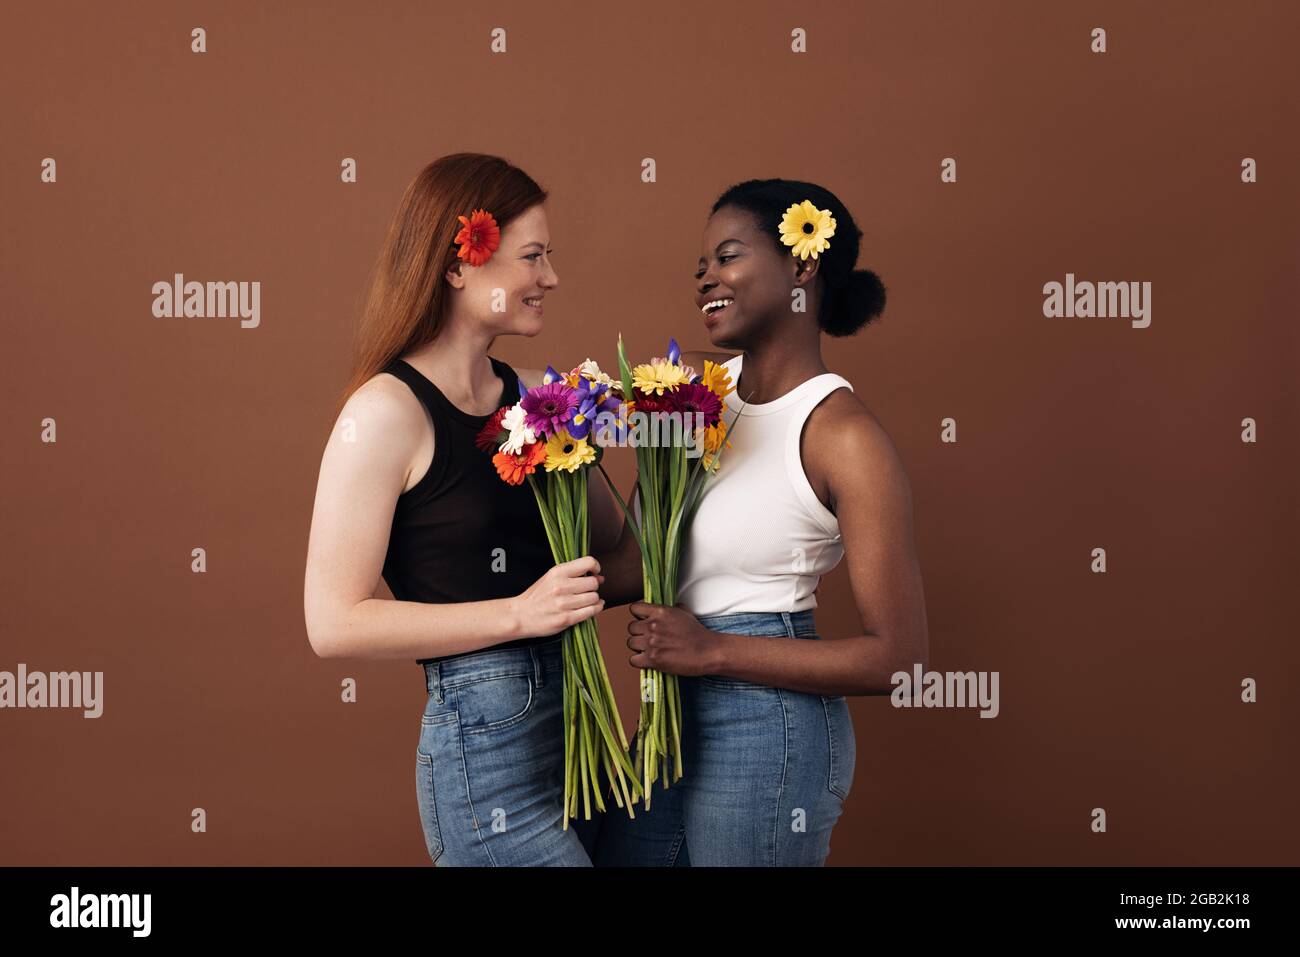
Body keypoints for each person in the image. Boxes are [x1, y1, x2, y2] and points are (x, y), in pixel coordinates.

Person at [594, 178, 929, 866]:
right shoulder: (694, 396)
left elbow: (899, 660)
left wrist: (712, 651)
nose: (705, 279)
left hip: (768, 725)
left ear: (802, 266)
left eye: (728, 256)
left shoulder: (842, 435)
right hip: (669, 712)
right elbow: (630, 566)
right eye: (700, 267)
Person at [303, 153, 624, 865]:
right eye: (533, 256)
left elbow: (617, 558)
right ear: (460, 266)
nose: (551, 277)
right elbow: (332, 621)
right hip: (486, 751)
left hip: (585, 736)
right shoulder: (384, 413)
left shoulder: (541, 396)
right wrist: (517, 612)